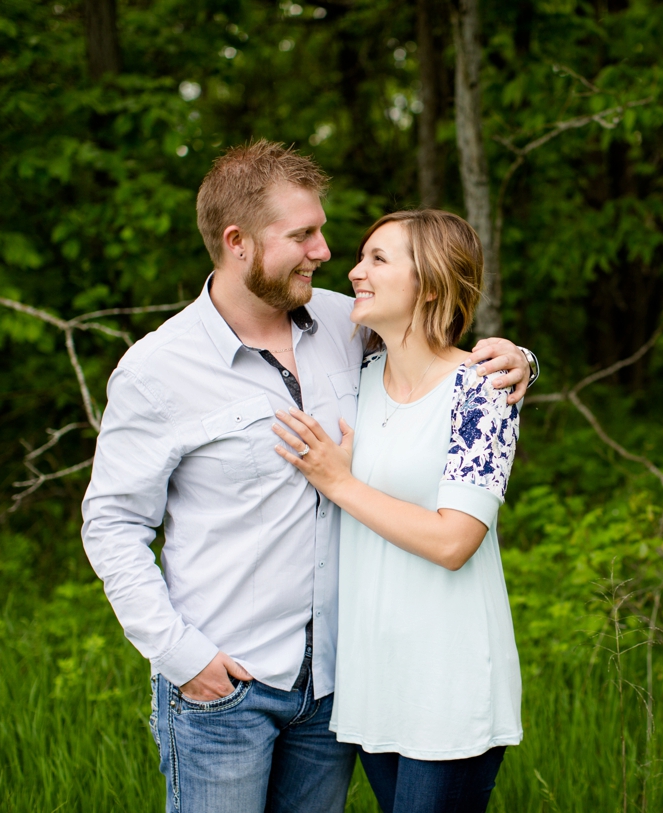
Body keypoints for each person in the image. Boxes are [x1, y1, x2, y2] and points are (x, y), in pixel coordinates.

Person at [80, 141, 536, 813]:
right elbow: (113, 525)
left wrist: (518, 358)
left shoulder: (341, 326)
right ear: (238, 242)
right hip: (226, 688)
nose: (327, 252)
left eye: (322, 231)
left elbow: (441, 359)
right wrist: (182, 656)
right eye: (304, 235)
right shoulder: (157, 371)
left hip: (333, 692)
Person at [272, 209, 522, 813]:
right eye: (361, 256)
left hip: (448, 682)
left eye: (378, 260)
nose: (355, 271)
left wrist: (339, 482)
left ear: (431, 284)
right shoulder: (360, 374)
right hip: (375, 679)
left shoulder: (482, 391)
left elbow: (453, 542)